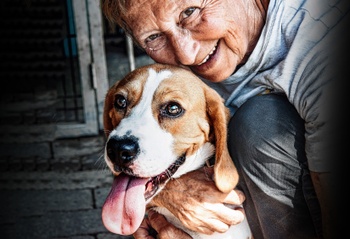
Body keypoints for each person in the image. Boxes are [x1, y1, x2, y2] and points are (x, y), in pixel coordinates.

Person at [101, 0, 347, 238]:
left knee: (260, 123)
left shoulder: (324, 47)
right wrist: (161, 195)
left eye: (190, 12)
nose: (186, 55)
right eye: (153, 37)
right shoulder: (178, 71)